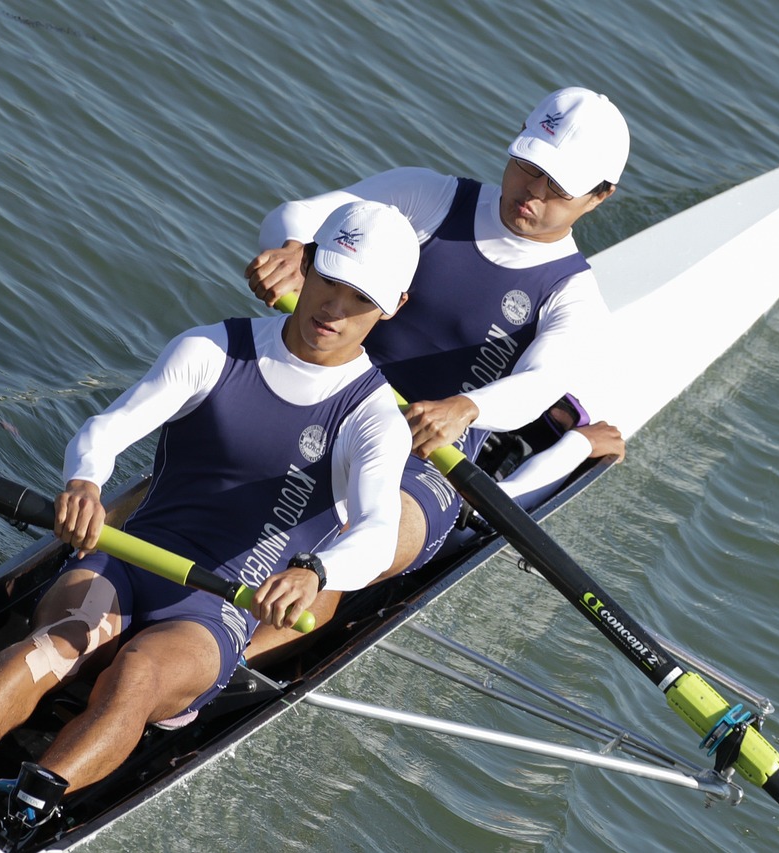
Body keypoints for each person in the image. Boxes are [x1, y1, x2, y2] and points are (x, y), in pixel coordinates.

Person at [0, 200, 420, 849]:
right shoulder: (213, 348)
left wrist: (318, 571)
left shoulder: (371, 419)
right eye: (329, 279)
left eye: (359, 297)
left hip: (217, 614)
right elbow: (108, 429)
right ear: (306, 263)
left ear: (393, 304)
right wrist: (84, 482)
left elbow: (375, 529)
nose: (333, 310)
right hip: (125, 562)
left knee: (135, 675)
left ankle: (26, 806)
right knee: (67, 633)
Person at [242, 88, 629, 660]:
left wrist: (467, 408)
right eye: (527, 166)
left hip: (431, 459)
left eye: (558, 185)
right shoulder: (426, 197)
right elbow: (297, 216)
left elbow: (539, 385)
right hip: (330, 398)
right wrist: (300, 251)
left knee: (338, 554)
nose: (533, 190)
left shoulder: (574, 296)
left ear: (598, 197)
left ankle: (226, 665)